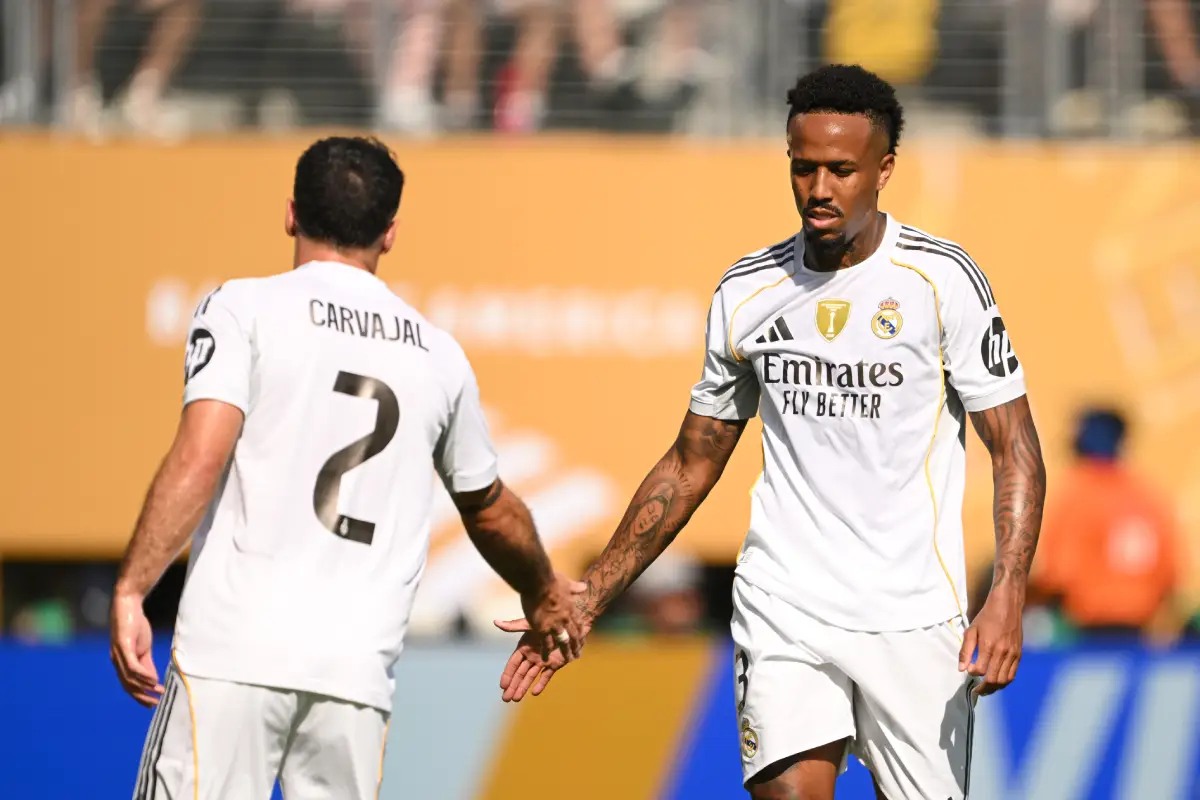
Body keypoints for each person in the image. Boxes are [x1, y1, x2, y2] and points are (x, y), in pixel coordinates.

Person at [496, 64, 1047, 800]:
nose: (819, 189)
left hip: (914, 614)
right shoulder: (748, 292)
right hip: (785, 600)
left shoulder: (941, 281)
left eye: (842, 170)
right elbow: (691, 462)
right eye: (803, 167)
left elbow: (1016, 450)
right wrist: (591, 598)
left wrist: (1008, 592)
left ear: (884, 170)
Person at [109, 136, 585, 800]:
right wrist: (542, 590)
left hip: (236, 651)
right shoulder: (438, 354)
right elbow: (490, 507)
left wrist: (133, 587)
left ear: (290, 213)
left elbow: (199, 456)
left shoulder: (244, 309)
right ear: (390, 234)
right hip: (354, 676)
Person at [1031, 407, 1187, 641]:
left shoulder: (1077, 492)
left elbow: (1058, 574)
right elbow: (1171, 572)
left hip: (1089, 630)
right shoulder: (1149, 494)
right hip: (1142, 630)